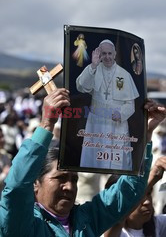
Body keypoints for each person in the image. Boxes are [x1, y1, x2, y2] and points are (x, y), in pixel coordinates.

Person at [0, 89, 165, 237]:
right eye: (60, 178)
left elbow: (129, 190)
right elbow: (16, 187)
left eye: (74, 179)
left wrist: (146, 133)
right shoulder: (22, 223)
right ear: (36, 183)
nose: (70, 187)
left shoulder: (87, 220)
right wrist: (46, 124)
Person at [76, 39, 139, 170]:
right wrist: (93, 66)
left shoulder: (124, 75)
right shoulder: (93, 70)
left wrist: (121, 114)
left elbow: (130, 105)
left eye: (110, 53)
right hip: (96, 125)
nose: (107, 57)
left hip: (117, 124)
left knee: (117, 162)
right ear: (99, 55)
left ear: (114, 54)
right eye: (103, 54)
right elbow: (81, 86)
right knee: (94, 160)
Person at [104, 156, 166, 237]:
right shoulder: (117, 232)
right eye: (141, 197)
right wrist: (152, 177)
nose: (147, 202)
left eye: (149, 193)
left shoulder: (159, 225)